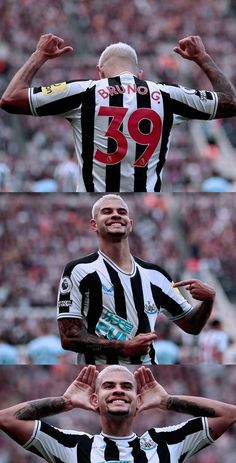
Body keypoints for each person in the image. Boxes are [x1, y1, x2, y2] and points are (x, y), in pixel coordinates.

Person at [1, 34, 236, 192]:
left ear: (100, 73)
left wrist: (39, 55)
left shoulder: (85, 90)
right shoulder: (168, 95)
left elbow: (10, 99)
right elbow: (230, 102)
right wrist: (202, 58)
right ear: (140, 74)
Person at [0, 365, 236, 463]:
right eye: (109, 386)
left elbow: (229, 413)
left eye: (126, 386)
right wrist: (65, 402)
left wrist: (168, 401)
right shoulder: (75, 447)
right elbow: (7, 419)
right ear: (95, 400)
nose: (118, 390)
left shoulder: (165, 444)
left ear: (138, 401)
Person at [57, 194, 216, 364]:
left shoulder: (157, 276)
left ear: (130, 224)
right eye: (107, 211)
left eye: (122, 212)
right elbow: (69, 337)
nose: (116, 215)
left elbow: (192, 326)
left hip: (146, 370)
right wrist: (122, 346)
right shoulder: (79, 270)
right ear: (94, 224)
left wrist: (209, 300)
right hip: (99, 372)